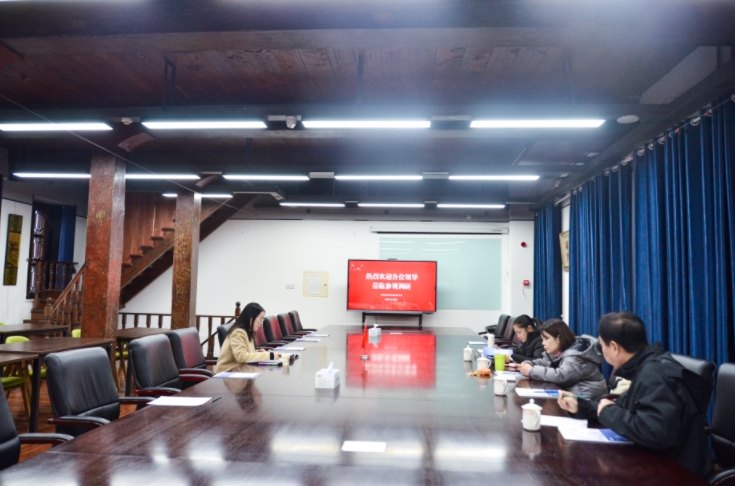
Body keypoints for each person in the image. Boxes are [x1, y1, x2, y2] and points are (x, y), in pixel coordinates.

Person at [557, 312, 712, 478]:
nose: (602, 351)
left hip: (676, 473)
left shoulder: (654, 375)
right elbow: (622, 406)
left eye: (602, 345)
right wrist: (581, 406)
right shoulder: (645, 367)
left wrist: (608, 412)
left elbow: (655, 432)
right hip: (656, 461)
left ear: (614, 347)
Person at [513, 318, 607, 400]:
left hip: (584, 400)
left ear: (558, 339)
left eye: (546, 339)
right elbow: (545, 362)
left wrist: (531, 371)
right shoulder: (558, 351)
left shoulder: (575, 356)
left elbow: (562, 376)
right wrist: (528, 364)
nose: (543, 343)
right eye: (543, 339)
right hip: (570, 396)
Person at [215, 302, 281, 374]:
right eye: (260, 319)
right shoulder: (238, 332)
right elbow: (241, 357)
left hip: (240, 370)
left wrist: (259, 352)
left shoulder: (247, 331)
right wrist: (270, 355)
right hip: (228, 373)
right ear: (251, 319)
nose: (261, 323)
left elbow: (247, 353)